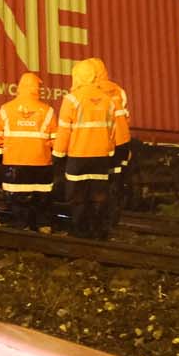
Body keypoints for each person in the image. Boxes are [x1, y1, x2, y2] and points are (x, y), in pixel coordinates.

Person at [51, 59, 117, 239]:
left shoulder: (72, 99)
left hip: (78, 156)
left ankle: (79, 230)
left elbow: (64, 130)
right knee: (98, 195)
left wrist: (57, 155)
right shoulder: (107, 100)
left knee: (77, 195)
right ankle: (97, 231)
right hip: (101, 156)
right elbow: (112, 129)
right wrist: (110, 152)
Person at [0, 72, 58, 232]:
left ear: (20, 87)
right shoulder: (48, 111)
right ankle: (43, 225)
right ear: (37, 89)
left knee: (16, 195)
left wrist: (0, 153)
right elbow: (55, 138)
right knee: (42, 195)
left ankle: (21, 225)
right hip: (41, 161)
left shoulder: (6, 109)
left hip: (14, 161)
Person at [87, 56, 133, 230]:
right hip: (120, 143)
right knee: (114, 183)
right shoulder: (118, 91)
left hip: (99, 145)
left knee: (96, 183)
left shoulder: (90, 93)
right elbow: (125, 118)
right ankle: (110, 221)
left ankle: (96, 222)